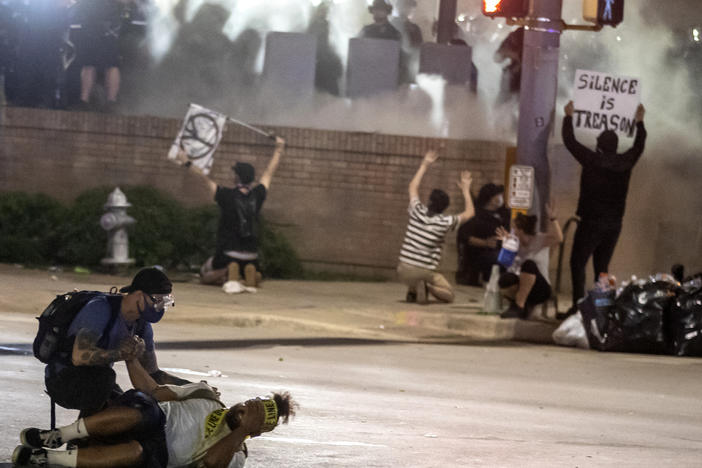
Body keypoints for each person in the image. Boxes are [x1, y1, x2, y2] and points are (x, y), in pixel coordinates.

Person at [14, 357, 297, 468]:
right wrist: (131, 358)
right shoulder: (207, 395)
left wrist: (241, 431)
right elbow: (154, 390)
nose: (246, 410)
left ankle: (47, 458)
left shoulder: (236, 454)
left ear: (257, 431)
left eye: (256, 415)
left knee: (139, 453)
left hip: (160, 453)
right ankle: (56, 436)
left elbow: (211, 464)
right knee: (142, 409)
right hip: (154, 415)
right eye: (250, 404)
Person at [44, 267, 189, 417]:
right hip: (63, 378)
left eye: (165, 302)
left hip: (97, 381)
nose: (160, 308)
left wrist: (192, 388)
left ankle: (77, 434)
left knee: (137, 407)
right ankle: (80, 435)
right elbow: (79, 357)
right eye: (158, 301)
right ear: (139, 295)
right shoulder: (100, 309)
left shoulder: (142, 325)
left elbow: (153, 373)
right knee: (105, 379)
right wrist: (122, 354)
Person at [561, 100, 647, 319]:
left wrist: (568, 116)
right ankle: (603, 310)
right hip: (614, 224)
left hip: (591, 221)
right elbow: (638, 147)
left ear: (599, 144)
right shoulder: (625, 163)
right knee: (602, 267)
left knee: (577, 263)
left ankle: (578, 307)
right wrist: (640, 123)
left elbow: (570, 141)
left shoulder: (591, 159)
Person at [177, 137, 286, 287]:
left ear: (237, 177)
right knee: (245, 267)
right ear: (251, 178)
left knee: (205, 274)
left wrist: (186, 162)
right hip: (252, 255)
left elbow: (203, 178)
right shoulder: (258, 194)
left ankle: (227, 272)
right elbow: (269, 172)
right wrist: (279, 149)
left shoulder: (225, 195)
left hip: (228, 254)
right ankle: (250, 274)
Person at [397, 149, 474, 304]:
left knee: (414, 272)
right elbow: (470, 213)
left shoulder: (417, 210)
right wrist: (465, 189)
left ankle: (412, 290)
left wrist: (425, 164)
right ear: (445, 208)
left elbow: (413, 186)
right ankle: (426, 286)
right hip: (423, 272)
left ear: (429, 200)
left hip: (402, 270)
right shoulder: (444, 222)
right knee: (449, 295)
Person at [495, 207, 563, 319]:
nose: (512, 231)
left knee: (529, 264)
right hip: (522, 286)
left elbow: (559, 238)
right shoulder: (515, 243)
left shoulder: (539, 238)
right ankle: (520, 305)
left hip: (540, 288)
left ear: (521, 230)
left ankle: (519, 306)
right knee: (505, 279)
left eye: (515, 228)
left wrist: (553, 219)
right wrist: (507, 246)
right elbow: (506, 263)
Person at [456, 183, 510, 286]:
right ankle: (487, 279)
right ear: (491, 199)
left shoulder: (504, 213)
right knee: (499, 257)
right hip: (481, 254)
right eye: (499, 195)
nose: (502, 198)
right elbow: (464, 236)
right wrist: (484, 243)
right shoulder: (477, 215)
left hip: (503, 248)